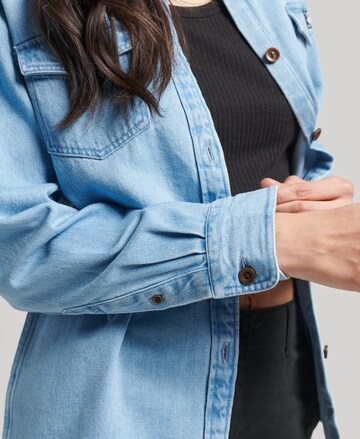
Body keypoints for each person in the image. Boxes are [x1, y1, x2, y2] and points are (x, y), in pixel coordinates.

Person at [0, 0, 357, 437]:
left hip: (283, 371)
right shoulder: (17, 13)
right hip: (126, 407)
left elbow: (284, 150)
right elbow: (22, 251)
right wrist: (271, 239)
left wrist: (313, 206)